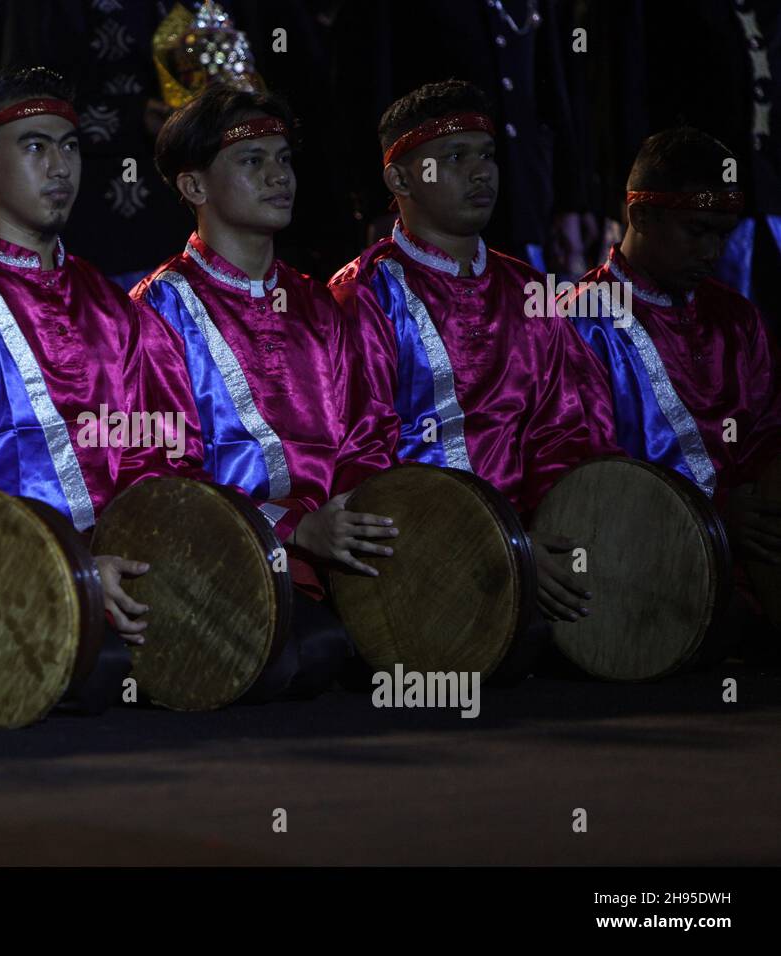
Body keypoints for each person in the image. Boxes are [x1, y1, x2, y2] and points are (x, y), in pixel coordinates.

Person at [0, 67, 189, 653]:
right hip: (6, 579)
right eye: (35, 147)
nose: (60, 168)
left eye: (71, 147)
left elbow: (158, 450)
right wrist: (72, 568)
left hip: (119, 570)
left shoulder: (110, 302)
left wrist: (136, 557)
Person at [132, 84, 400, 700]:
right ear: (194, 187)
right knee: (318, 651)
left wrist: (351, 519)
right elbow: (160, 470)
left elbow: (370, 430)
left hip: (335, 551)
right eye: (252, 161)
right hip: (227, 560)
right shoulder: (158, 310)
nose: (279, 176)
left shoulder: (317, 303)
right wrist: (296, 529)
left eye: (283, 158)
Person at [329, 79, 620, 625]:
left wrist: (551, 540)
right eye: (454, 157)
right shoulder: (362, 296)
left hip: (534, 544)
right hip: (415, 554)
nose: (481, 171)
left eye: (486, 154)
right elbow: (360, 458)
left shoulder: (531, 293)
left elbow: (567, 435)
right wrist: (497, 549)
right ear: (398, 177)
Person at [558, 127, 781, 570]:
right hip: (638, 565)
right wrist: (712, 515)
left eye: (723, 234)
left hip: (749, 559)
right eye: (697, 231)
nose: (713, 251)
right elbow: (588, 471)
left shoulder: (736, 317)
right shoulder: (579, 322)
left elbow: (767, 433)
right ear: (640, 216)